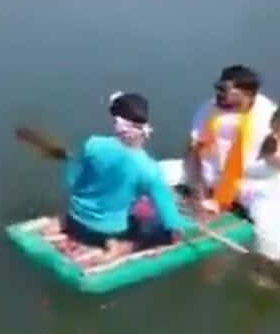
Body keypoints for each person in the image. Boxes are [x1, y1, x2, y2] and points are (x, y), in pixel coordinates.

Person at [50, 92, 187, 256]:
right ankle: (123, 247)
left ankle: (64, 222)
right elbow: (169, 214)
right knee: (161, 232)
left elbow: (71, 181)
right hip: (110, 233)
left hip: (76, 221)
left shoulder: (92, 144)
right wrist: (177, 230)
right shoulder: (149, 169)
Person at [184, 64, 280, 261]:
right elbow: (193, 150)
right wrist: (199, 192)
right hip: (213, 179)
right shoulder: (208, 109)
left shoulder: (270, 116)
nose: (218, 93)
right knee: (163, 171)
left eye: (224, 90)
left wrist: (272, 152)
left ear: (246, 93)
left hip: (255, 187)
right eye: (217, 87)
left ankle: (266, 275)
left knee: (269, 229)